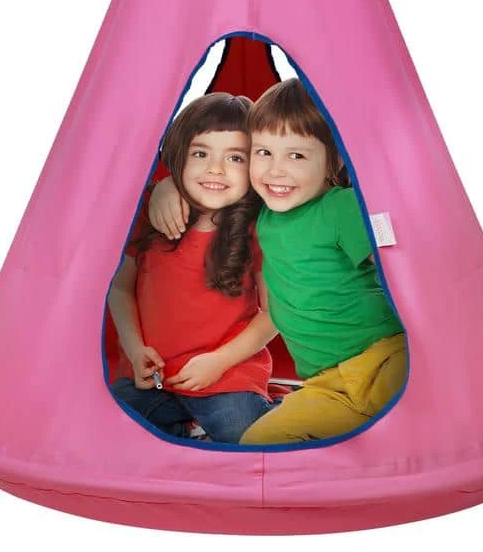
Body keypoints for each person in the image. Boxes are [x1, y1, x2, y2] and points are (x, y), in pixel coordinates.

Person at [149, 79, 406, 444]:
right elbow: (216, 185)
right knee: (257, 445)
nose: (275, 171)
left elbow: (405, 267)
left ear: (334, 159)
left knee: (414, 431)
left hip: (382, 359)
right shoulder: (264, 210)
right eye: (263, 152)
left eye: (296, 156)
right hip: (326, 385)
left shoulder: (341, 208)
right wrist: (167, 186)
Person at [107, 92, 277, 444]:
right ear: (179, 156)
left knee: (244, 434)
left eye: (235, 157)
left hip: (226, 375)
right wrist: (135, 350)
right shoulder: (147, 213)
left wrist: (219, 361)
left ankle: (267, 413)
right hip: (153, 377)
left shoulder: (259, 228)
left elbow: (275, 314)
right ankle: (189, 430)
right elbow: (120, 288)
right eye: (200, 154)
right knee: (113, 432)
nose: (216, 168)